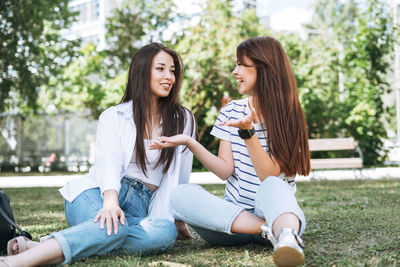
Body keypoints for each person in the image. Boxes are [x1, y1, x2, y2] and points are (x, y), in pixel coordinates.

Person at [1, 43, 196, 267]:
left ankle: (47, 245)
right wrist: (111, 201)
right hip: (97, 194)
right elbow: (108, 163)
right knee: (116, 228)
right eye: (160, 69)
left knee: (164, 232)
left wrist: (179, 220)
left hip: (141, 208)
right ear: (142, 72)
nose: (169, 77)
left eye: (172, 70)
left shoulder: (183, 118)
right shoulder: (113, 115)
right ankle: (15, 262)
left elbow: (182, 171)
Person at [150, 36, 310, 267]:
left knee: (275, 185)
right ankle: (270, 230)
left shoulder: (289, 114)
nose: (235, 71)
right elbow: (225, 171)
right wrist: (190, 142)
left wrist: (248, 133)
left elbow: (269, 175)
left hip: (279, 214)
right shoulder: (231, 110)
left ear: (264, 68)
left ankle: (286, 236)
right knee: (179, 194)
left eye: (241, 65)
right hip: (231, 224)